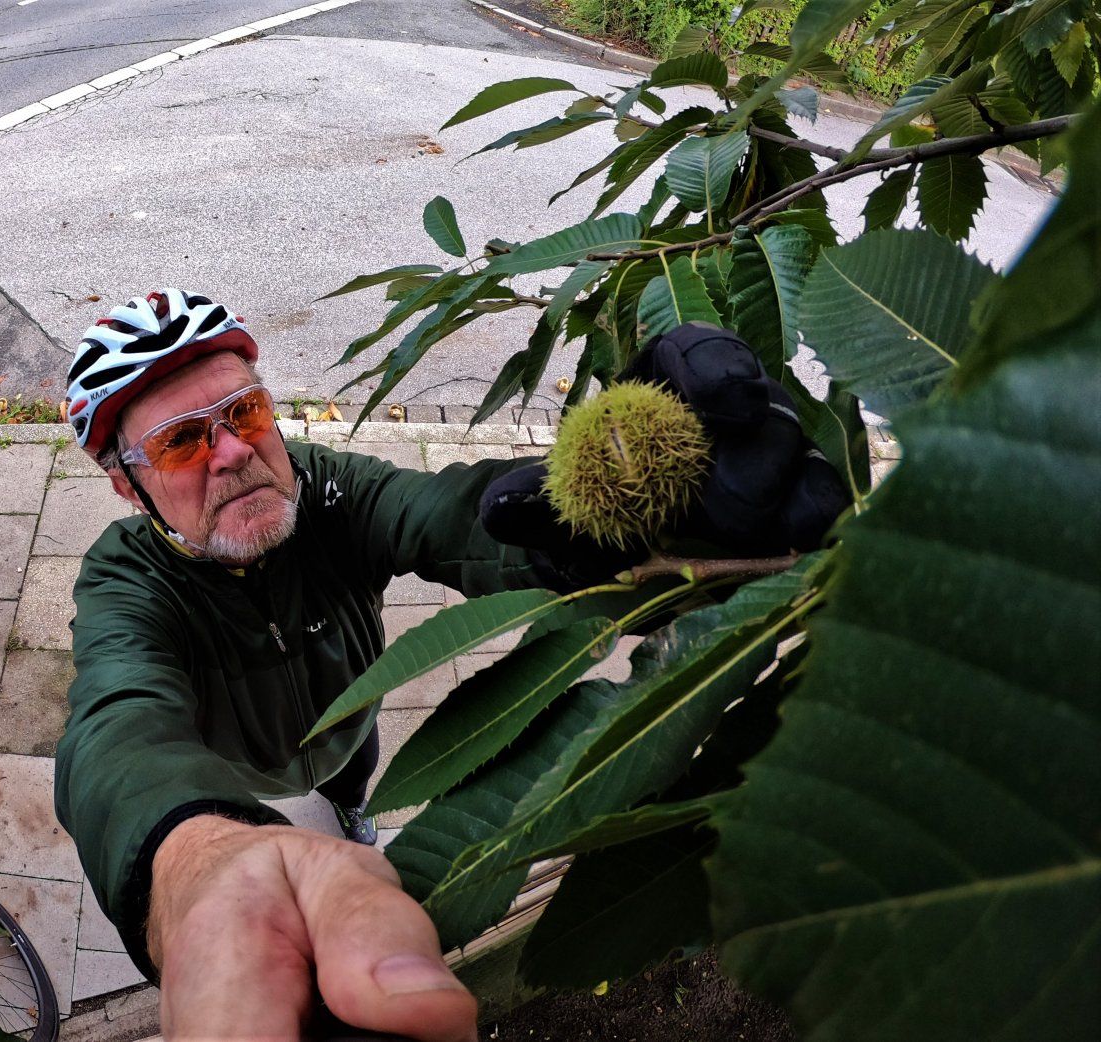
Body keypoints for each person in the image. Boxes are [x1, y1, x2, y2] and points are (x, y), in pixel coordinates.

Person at [52, 289, 847, 1040]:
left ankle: (352, 816)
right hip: (235, 772)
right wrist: (193, 861)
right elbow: (117, 727)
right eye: (181, 440)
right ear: (127, 485)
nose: (231, 451)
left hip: (343, 737)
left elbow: (446, 515)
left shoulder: (324, 492)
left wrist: (614, 510)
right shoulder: (125, 582)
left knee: (350, 787)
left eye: (244, 412)